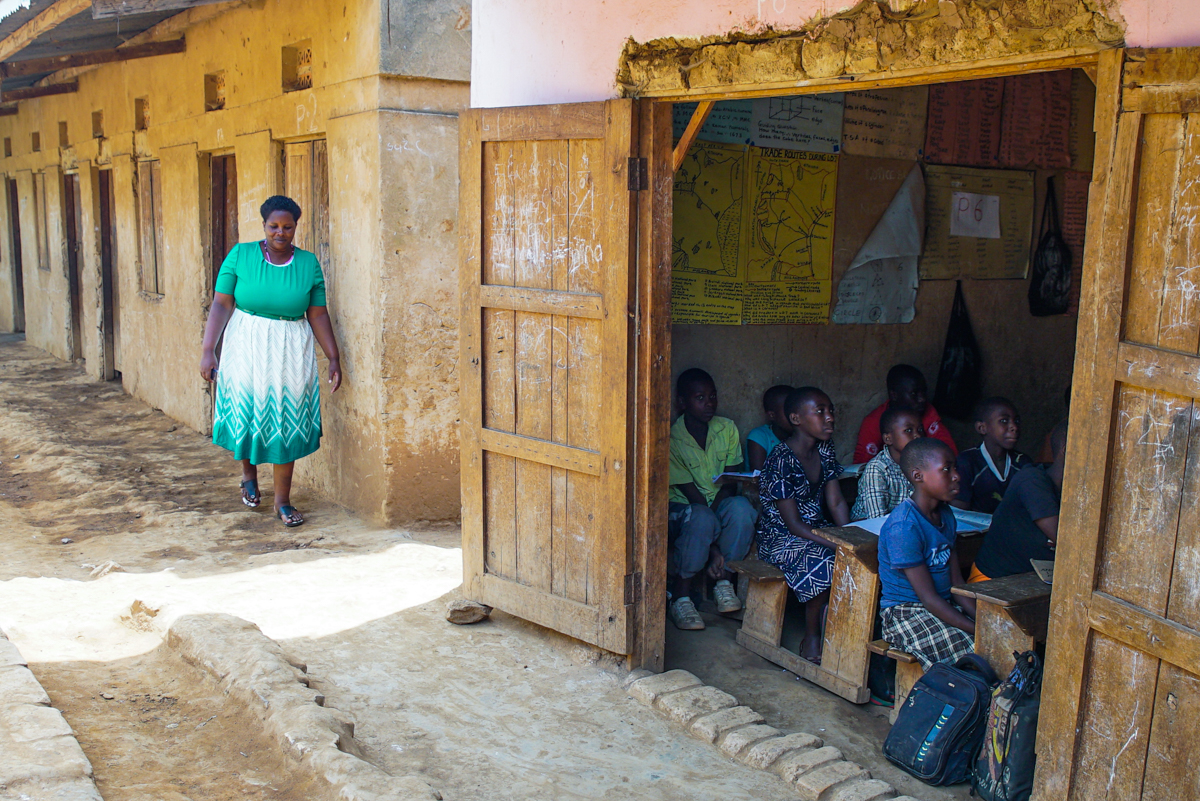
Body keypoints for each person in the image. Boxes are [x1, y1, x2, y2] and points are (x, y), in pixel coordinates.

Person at [199, 195, 342, 528]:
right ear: (264, 225)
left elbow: (317, 313)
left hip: (290, 347)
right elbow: (221, 303)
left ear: (295, 227)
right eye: (273, 226)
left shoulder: (307, 264)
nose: (280, 232)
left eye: (287, 227)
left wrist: (333, 356)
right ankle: (248, 476)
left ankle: (282, 501)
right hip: (245, 342)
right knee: (247, 411)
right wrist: (209, 349)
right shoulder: (241, 255)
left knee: (284, 421)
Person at [756, 386, 851, 664]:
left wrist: (851, 538)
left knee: (860, 556)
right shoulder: (780, 459)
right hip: (780, 537)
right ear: (796, 419)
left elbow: (836, 502)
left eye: (831, 410)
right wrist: (838, 544)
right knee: (825, 559)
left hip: (816, 529)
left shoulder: (825, 449)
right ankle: (811, 635)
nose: (829, 417)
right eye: (820, 412)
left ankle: (844, 631)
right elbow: (794, 524)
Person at [668, 368, 758, 631]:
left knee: (741, 509)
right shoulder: (672, 437)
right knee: (701, 517)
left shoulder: (726, 428)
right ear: (682, 402)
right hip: (686, 509)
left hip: (718, 504)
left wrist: (714, 539)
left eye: (712, 396)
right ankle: (681, 596)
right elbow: (692, 495)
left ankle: (723, 581)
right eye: (700, 398)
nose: (709, 403)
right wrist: (713, 549)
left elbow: (731, 482)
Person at [877, 438, 976, 670]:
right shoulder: (904, 527)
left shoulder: (946, 515)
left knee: (1000, 635)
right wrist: (978, 630)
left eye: (955, 468)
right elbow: (928, 599)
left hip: (942, 604)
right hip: (905, 613)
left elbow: (957, 584)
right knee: (976, 649)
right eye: (946, 469)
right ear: (918, 476)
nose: (956, 476)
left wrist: (984, 621)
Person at [969, 420, 1067, 582]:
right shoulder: (1032, 480)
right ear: (1067, 450)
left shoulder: (1075, 490)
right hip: (993, 583)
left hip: (1032, 582)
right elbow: (1067, 542)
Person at [854, 364, 956, 464]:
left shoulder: (927, 412)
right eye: (914, 394)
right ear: (894, 395)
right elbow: (860, 465)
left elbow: (950, 454)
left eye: (924, 392)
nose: (922, 399)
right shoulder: (874, 421)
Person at [952, 397, 1033, 514]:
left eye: (1016, 421)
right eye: (1004, 421)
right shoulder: (967, 463)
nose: (1014, 427)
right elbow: (959, 514)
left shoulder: (1023, 463)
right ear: (982, 428)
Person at [850, 407, 924, 521]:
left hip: (904, 524)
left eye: (920, 429)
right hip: (867, 527)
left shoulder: (922, 464)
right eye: (908, 430)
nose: (917, 435)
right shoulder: (877, 469)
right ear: (888, 439)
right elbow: (876, 520)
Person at [746, 384, 794, 472]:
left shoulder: (803, 435)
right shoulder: (760, 436)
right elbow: (759, 476)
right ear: (772, 415)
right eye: (788, 411)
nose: (794, 416)